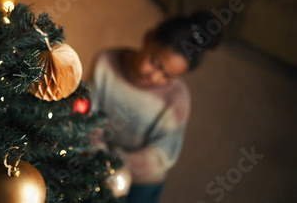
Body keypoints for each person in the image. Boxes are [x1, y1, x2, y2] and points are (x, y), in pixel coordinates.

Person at [90, 11, 221, 203]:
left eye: (167, 76)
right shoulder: (106, 62)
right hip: (95, 158)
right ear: (148, 38)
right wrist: (97, 149)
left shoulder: (177, 101)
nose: (155, 77)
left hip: (141, 181)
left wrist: (117, 162)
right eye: (154, 62)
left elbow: (162, 155)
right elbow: (87, 109)